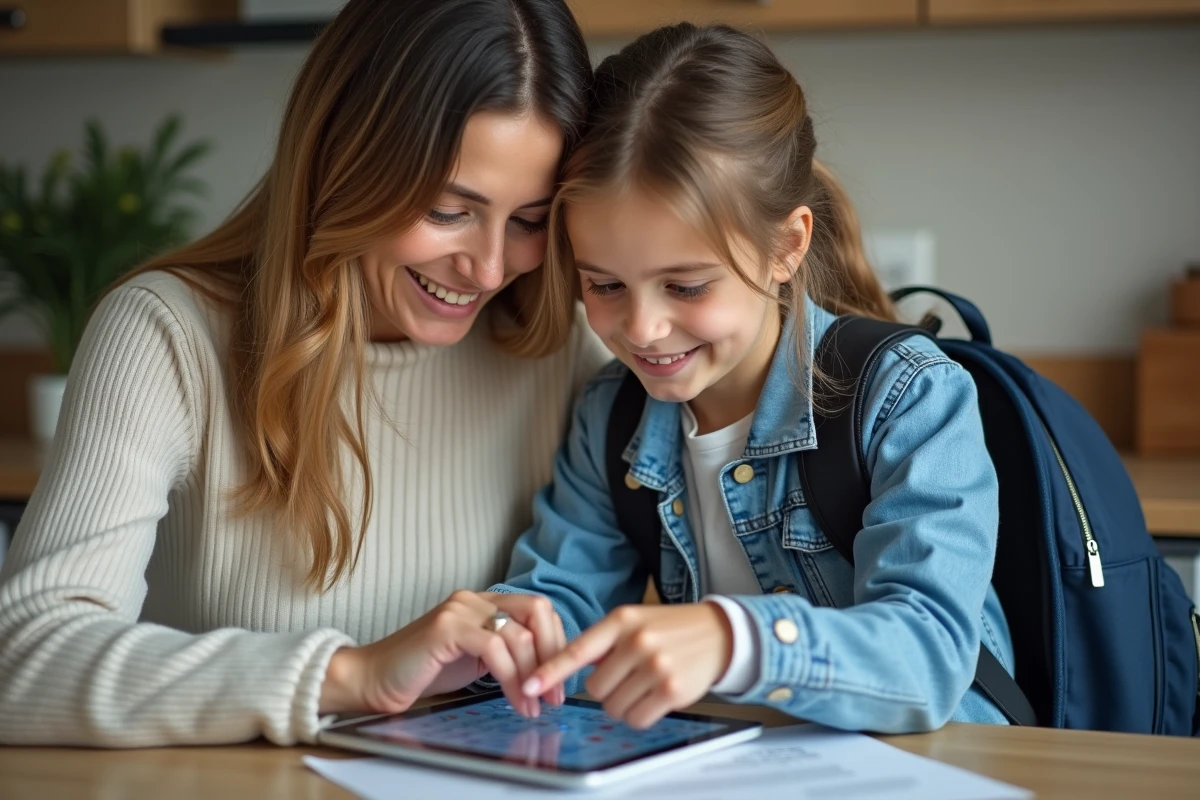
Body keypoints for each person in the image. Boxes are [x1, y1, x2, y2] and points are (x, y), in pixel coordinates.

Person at [0, 0, 607, 747]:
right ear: (343, 162)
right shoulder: (166, 335)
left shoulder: (570, 353)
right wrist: (349, 674)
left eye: (529, 221)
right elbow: (22, 660)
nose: (486, 269)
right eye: (450, 211)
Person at [492, 22, 1015, 734]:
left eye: (685, 287)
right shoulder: (609, 414)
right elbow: (563, 601)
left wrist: (733, 638)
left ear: (785, 246)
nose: (641, 329)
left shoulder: (913, 396)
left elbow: (927, 655)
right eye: (606, 285)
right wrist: (507, 636)